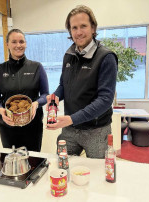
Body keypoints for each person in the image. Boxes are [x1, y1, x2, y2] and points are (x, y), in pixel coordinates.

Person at [46, 5, 118, 158]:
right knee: (62, 166)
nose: (78, 32)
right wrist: (56, 96)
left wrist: (71, 119)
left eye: (83, 26)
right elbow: (63, 85)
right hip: (70, 129)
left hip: (96, 131)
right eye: (74, 28)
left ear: (93, 28)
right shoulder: (68, 55)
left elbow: (105, 99)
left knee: (99, 173)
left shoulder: (106, 57)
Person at [0, 29, 49, 152]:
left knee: (33, 161)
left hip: (33, 126)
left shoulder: (36, 67)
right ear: (7, 45)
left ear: (26, 44)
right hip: (8, 126)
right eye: (14, 42)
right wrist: (1, 111)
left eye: (21, 42)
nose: (18, 45)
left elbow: (45, 94)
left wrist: (36, 103)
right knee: (11, 161)